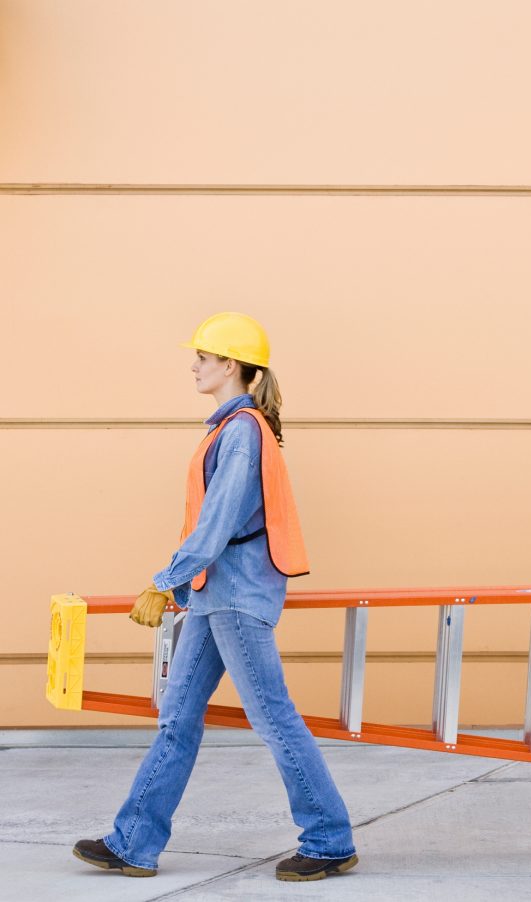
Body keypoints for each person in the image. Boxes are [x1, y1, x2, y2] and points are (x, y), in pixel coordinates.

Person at [72, 313, 358, 882]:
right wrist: (181, 584)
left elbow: (218, 522)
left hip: (234, 599)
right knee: (176, 720)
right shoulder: (232, 429)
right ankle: (134, 842)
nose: (195, 365)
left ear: (231, 365)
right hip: (212, 598)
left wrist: (163, 580)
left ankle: (329, 839)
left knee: (274, 719)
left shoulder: (241, 432)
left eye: (203, 356)